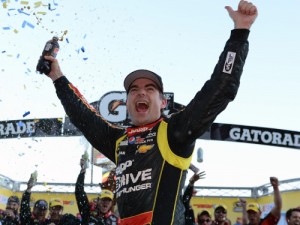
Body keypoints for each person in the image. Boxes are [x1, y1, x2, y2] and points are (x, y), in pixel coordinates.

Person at [44, 1, 258, 223]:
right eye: (134, 89)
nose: (141, 93)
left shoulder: (175, 131)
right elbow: (83, 116)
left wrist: (240, 33)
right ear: (126, 102)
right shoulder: (118, 140)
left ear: (163, 101)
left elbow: (221, 88)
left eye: (150, 88)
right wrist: (58, 78)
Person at [75, 155, 120, 225]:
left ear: (111, 204)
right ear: (98, 200)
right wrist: (82, 172)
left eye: (109, 200)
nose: (106, 203)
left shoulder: (115, 220)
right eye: (104, 199)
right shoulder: (88, 212)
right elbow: (79, 192)